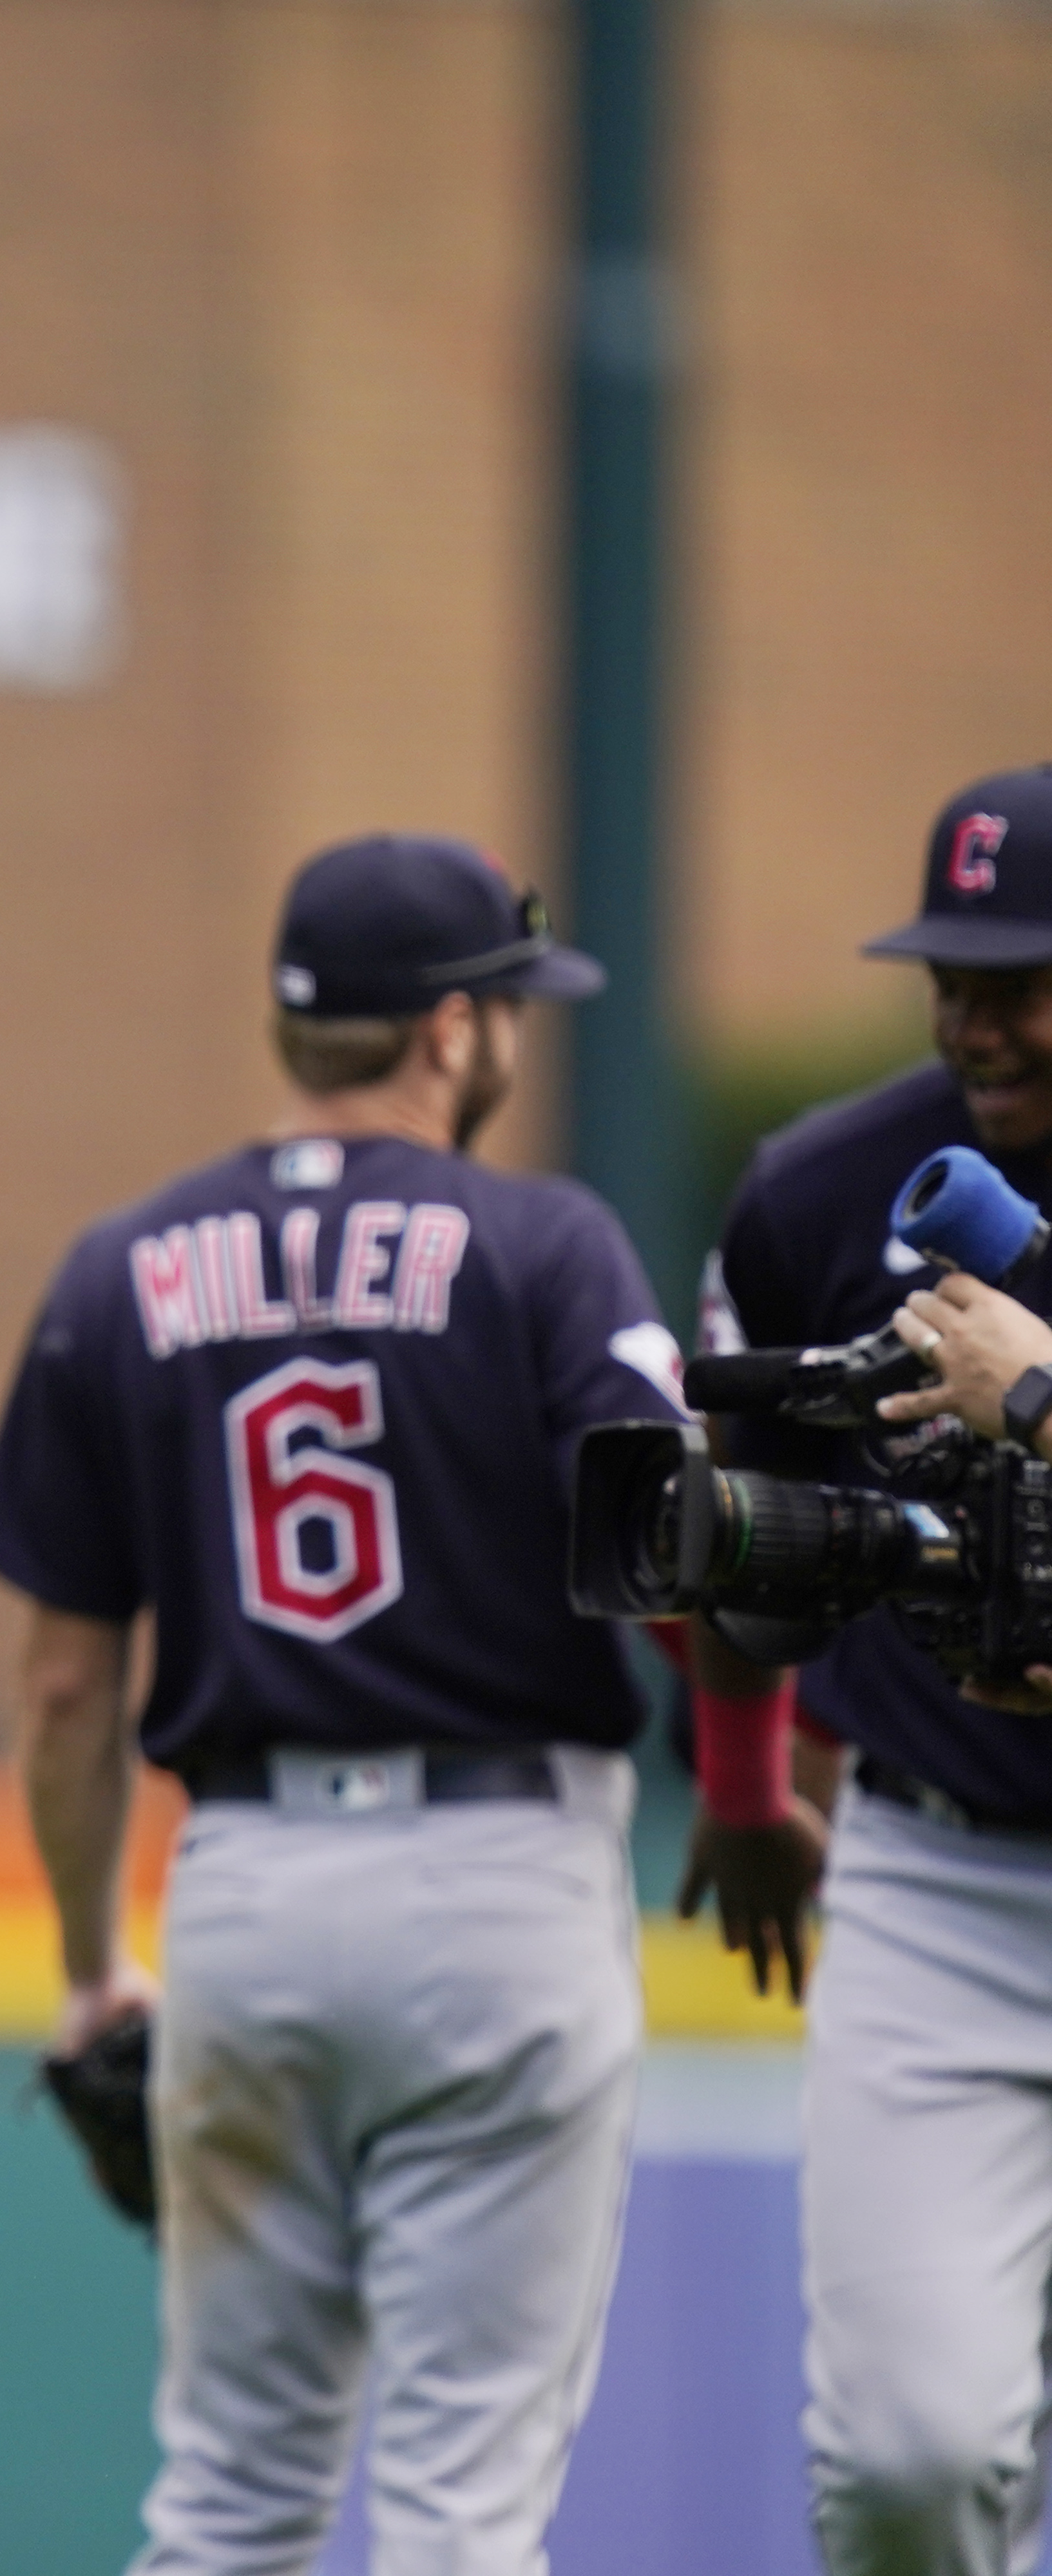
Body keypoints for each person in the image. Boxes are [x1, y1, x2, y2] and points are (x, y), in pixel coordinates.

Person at [0, 833, 686, 2574]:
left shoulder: (124, 1263)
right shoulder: (547, 1246)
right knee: (458, 2510)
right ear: (450, 1028)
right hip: (500, 1878)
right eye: (504, 1010)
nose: (511, 1039)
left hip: (250, 1897)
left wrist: (87, 1970)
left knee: (230, 2501)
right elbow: (691, 1569)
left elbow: (67, 1684)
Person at [687, 764, 1052, 2576]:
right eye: (956, 973)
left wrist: (1042, 1405)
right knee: (911, 2468)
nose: (980, 1014)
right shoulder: (831, 1188)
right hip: (944, 1877)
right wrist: (747, 1784)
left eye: (1023, 974)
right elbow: (735, 1514)